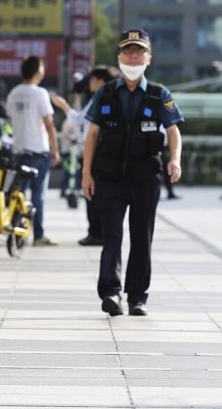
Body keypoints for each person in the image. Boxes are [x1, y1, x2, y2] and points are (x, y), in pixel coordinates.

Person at [82, 30, 183, 317]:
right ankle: (111, 293)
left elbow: (173, 131)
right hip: (109, 177)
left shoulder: (159, 94)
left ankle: (137, 297)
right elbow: (92, 135)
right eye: (128, 51)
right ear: (119, 57)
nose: (133, 56)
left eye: (139, 52)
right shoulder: (106, 92)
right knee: (111, 235)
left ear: (148, 58)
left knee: (141, 237)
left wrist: (174, 160)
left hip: (145, 178)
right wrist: (85, 174)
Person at [53, 66, 117, 245]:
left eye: (91, 80)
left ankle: (97, 233)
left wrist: (65, 106)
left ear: (100, 81)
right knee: (94, 196)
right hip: (100, 153)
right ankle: (96, 232)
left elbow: (79, 119)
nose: (89, 83)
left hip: (96, 154)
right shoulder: (107, 97)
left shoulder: (101, 97)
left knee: (92, 195)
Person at [5, 56, 61, 246]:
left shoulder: (13, 93)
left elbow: (11, 121)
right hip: (38, 151)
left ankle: (15, 230)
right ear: (38, 72)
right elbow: (49, 125)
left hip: (18, 150)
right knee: (37, 195)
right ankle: (38, 235)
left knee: (18, 192)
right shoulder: (40, 93)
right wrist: (55, 150)